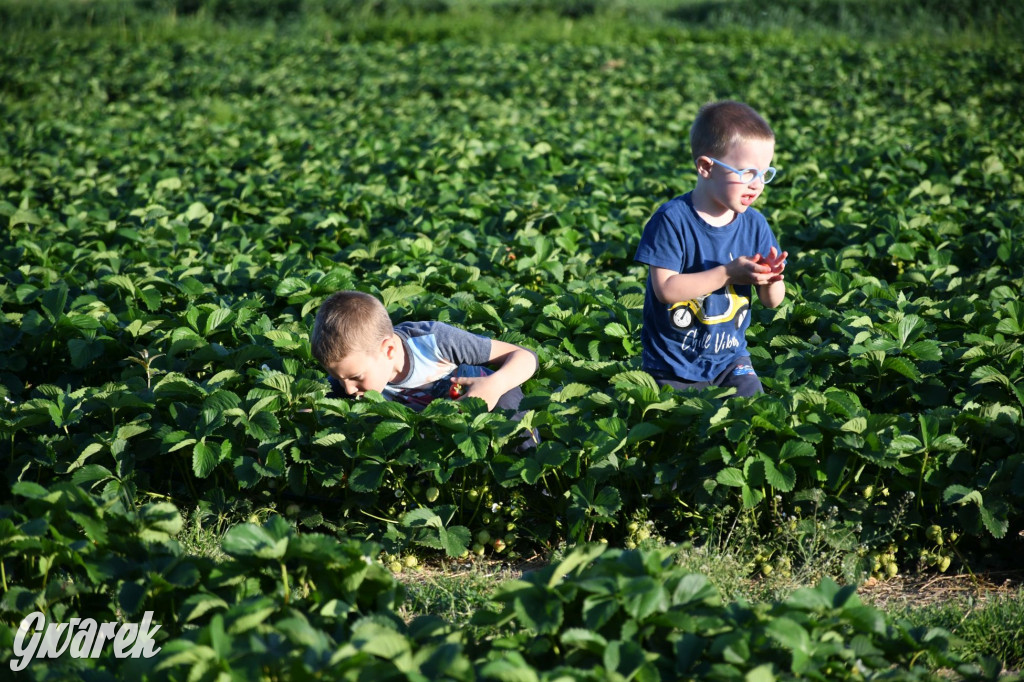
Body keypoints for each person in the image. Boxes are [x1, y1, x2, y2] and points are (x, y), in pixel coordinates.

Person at [634, 100, 787, 397]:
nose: (757, 185)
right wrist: (728, 273)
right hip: (672, 363)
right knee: (684, 429)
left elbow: (772, 303)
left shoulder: (754, 224)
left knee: (754, 412)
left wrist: (771, 278)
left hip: (731, 360)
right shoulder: (671, 220)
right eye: (747, 173)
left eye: (765, 173)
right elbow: (665, 289)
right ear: (706, 167)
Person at [310, 290, 539, 415]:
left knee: (507, 398)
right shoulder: (350, 370)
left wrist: (494, 385)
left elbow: (526, 356)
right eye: (340, 379)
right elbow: (315, 409)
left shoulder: (434, 341)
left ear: (388, 349)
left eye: (356, 378)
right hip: (434, 430)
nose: (348, 389)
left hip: (476, 404)